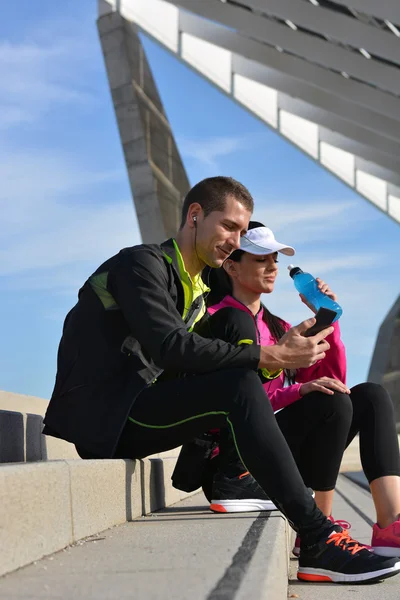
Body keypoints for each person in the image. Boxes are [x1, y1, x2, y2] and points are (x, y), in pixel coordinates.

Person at [43, 177, 400, 583]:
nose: (236, 239)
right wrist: (271, 356)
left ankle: (299, 515)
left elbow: (205, 364)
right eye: (229, 226)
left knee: (250, 361)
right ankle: (316, 536)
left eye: (243, 232)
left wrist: (307, 336)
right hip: (106, 415)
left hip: (143, 407)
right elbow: (170, 348)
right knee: (237, 378)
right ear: (195, 215)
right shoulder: (140, 264)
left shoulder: (197, 290)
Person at [197, 220, 400, 558]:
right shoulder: (219, 320)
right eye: (261, 259)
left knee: (370, 397)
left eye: (274, 259)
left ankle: (390, 526)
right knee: (327, 401)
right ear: (231, 265)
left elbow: (334, 380)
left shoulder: (276, 327)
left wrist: (326, 323)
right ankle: (320, 526)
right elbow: (233, 400)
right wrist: (297, 391)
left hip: (277, 446)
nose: (273, 267)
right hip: (237, 460)